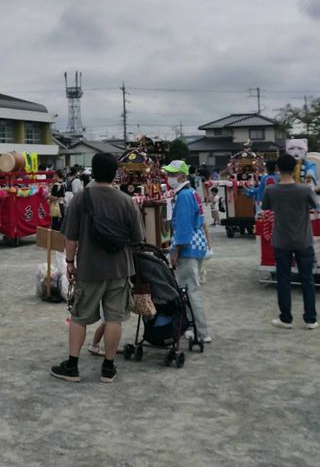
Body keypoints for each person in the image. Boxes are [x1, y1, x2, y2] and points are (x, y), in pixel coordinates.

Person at [50, 152, 143, 384]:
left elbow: (70, 237)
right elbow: (137, 238)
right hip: (120, 269)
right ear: (115, 173)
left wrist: (69, 263)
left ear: (93, 171)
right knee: (114, 318)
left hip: (89, 269)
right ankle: (108, 368)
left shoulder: (81, 199)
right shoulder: (127, 201)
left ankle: (72, 366)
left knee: (79, 317)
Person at [263, 153, 320, 330]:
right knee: (307, 279)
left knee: (283, 280)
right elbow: (315, 205)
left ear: (277, 169)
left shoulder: (270, 190)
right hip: (303, 239)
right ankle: (310, 319)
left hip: (281, 240)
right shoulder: (305, 190)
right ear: (295, 168)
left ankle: (286, 318)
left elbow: (266, 207)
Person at [164, 159, 211, 343]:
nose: (169, 177)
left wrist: (175, 252)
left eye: (172, 174)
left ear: (182, 176)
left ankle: (200, 331)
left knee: (190, 290)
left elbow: (183, 228)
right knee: (192, 289)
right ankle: (194, 328)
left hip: (186, 248)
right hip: (197, 246)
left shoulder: (183, 196)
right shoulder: (191, 192)